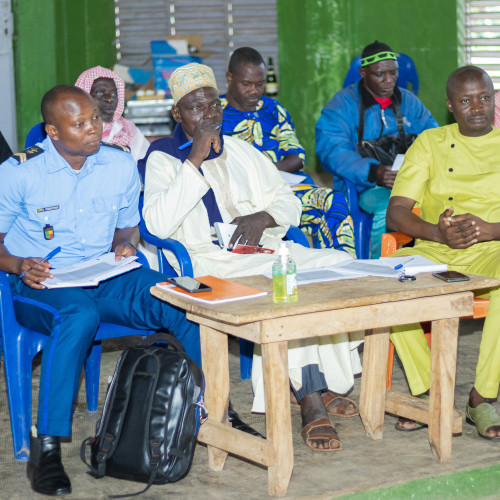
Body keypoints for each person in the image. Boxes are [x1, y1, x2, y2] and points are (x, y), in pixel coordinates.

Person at [141, 62, 363, 453]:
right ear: (177, 113)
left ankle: (320, 381)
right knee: (286, 282)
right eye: (196, 108)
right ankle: (310, 401)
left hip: (256, 252)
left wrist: (264, 217)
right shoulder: (162, 157)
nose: (208, 115)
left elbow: (287, 201)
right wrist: (193, 161)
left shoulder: (242, 150)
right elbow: (156, 225)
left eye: (214, 106)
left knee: (338, 265)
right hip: (204, 262)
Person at [0, 85, 202, 496]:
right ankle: (48, 449)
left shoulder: (118, 164)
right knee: (79, 315)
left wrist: (123, 245)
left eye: (95, 117)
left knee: (180, 300)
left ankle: (205, 411)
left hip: (103, 274)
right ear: (52, 132)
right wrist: (20, 265)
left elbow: (126, 226)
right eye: (80, 123)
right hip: (42, 282)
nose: (94, 128)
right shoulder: (18, 173)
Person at [386, 65, 500, 439]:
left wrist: (490, 230)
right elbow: (396, 212)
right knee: (385, 282)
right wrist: (436, 230)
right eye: (466, 100)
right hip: (437, 252)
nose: (478, 107)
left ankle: (480, 397)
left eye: (484, 97)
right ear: (451, 105)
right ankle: (430, 391)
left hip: (490, 252)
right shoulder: (430, 143)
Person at [221, 47, 355, 256]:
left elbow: (297, 158)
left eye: (260, 84)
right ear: (230, 78)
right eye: (246, 84)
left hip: (282, 191)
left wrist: (267, 171)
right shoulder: (215, 113)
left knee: (333, 201)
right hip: (240, 197)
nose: (254, 91)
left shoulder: (273, 110)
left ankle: (341, 268)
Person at [315, 40, 438, 258]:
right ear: (363, 72)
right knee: (389, 211)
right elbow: (331, 151)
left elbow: (433, 138)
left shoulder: (408, 101)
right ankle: (379, 267)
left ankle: (427, 260)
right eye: (380, 74)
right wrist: (373, 172)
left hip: (411, 183)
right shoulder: (342, 105)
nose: (389, 81)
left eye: (394, 73)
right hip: (365, 186)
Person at [75, 66, 150, 162]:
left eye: (114, 94)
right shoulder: (70, 132)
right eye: (99, 93)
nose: (109, 99)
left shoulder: (126, 130)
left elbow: (146, 165)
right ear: (83, 96)